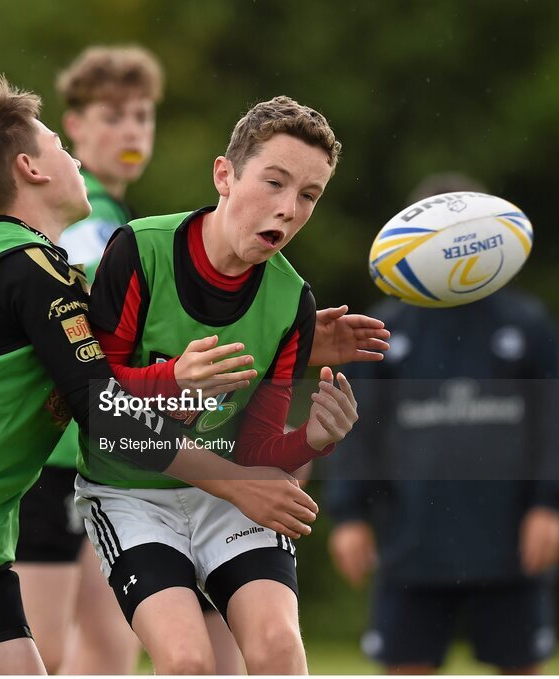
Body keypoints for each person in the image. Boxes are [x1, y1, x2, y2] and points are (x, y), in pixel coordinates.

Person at [0, 76, 324, 675]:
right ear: (30, 167)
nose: (77, 157)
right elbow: (107, 408)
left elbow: (74, 366)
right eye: (62, 144)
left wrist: (308, 341)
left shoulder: (38, 271)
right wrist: (235, 482)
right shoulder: (24, 270)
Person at [75, 95, 380, 675]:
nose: (289, 208)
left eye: (309, 195)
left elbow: (256, 449)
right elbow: (94, 404)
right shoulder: (140, 251)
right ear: (224, 175)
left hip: (227, 490)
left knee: (277, 650)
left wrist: (313, 439)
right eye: (274, 182)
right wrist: (172, 380)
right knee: (189, 662)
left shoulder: (292, 300)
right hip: (132, 494)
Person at [324, 173, 559, 674]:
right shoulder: (383, 331)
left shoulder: (528, 326)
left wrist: (551, 504)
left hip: (511, 542)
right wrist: (349, 515)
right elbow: (354, 429)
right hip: (412, 544)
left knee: (520, 665)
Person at [14, 44, 169, 675]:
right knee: (38, 654)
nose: (131, 131)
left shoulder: (114, 215)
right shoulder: (85, 220)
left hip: (96, 454)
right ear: (73, 126)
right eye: (112, 117)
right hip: (50, 457)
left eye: (142, 116)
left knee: (110, 651)